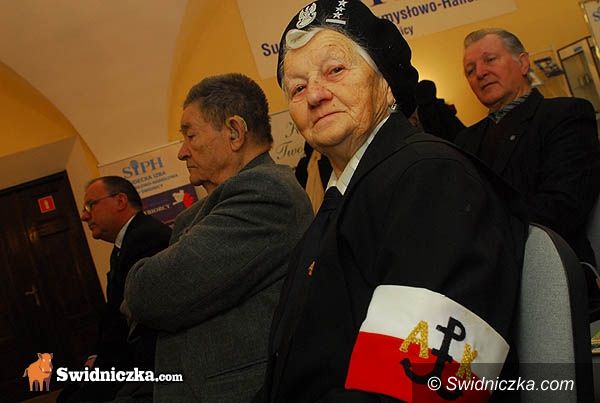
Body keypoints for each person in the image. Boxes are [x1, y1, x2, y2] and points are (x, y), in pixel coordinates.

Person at [254, 1, 526, 402]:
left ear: (385, 82)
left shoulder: (431, 179)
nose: (314, 95)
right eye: (297, 87)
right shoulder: (340, 198)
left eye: (335, 70)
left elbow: (416, 387)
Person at [122, 73, 313, 402]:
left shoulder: (265, 192)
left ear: (235, 132)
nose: (182, 152)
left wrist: (142, 281)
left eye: (190, 135)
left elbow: (147, 294)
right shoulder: (219, 203)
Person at [457, 28, 600, 299]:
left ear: (523, 63)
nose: (480, 73)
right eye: (470, 70)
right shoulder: (464, 141)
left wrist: (480, 235)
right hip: (487, 289)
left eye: (490, 59)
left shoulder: (565, 116)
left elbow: (562, 206)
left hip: (553, 280)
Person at [58, 176, 171, 403]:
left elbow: (130, 320)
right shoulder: (124, 245)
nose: (84, 216)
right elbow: (112, 313)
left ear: (120, 201)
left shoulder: (145, 237)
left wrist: (100, 366)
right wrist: (96, 356)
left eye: (90, 205)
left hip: (149, 363)